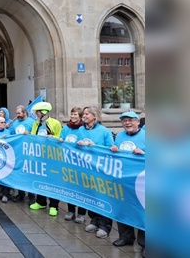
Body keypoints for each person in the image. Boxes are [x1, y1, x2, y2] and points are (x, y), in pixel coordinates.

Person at [110, 111, 145, 254]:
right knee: (123, 207)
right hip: (123, 180)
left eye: (130, 120)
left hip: (142, 182)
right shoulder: (119, 136)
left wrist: (144, 154)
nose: (127, 123)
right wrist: (112, 150)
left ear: (138, 122)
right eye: (124, 121)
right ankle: (125, 236)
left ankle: (145, 244)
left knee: (143, 211)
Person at [76, 106, 115, 238]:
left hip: (101, 169)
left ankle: (105, 225)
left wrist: (96, 147)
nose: (84, 116)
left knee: (102, 196)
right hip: (87, 169)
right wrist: (78, 143)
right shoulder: (81, 129)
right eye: (84, 114)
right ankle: (94, 220)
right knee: (91, 194)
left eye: (87, 114)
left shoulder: (104, 131)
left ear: (95, 116)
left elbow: (111, 148)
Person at [29, 101, 62, 216]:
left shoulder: (55, 123)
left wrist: (53, 137)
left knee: (53, 180)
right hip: (40, 155)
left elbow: (60, 138)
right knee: (40, 179)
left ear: (43, 112)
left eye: (37, 112)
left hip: (52, 156)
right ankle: (41, 201)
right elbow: (33, 136)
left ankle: (54, 205)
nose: (36, 114)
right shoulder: (35, 123)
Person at [59, 107, 87, 223]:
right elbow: (61, 138)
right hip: (68, 162)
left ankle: (81, 213)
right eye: (72, 114)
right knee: (70, 187)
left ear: (80, 116)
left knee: (81, 188)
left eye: (75, 114)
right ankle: (70, 210)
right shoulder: (66, 128)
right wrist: (59, 139)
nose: (73, 116)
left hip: (80, 163)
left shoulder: (83, 129)